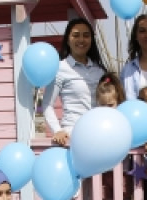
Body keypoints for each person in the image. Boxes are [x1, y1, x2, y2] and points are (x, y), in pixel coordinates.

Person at [42, 18, 107, 146]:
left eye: (86, 36)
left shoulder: (100, 71)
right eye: (76, 35)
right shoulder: (60, 68)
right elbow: (47, 105)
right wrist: (57, 130)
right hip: (72, 136)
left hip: (98, 135)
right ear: (68, 39)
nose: (81, 40)